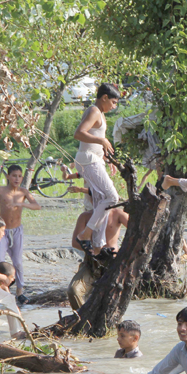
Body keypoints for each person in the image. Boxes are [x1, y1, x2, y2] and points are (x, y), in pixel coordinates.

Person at [72, 84, 121, 255]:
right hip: (88, 161)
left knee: (101, 202)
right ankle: (85, 234)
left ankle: (98, 247)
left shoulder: (100, 113)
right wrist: (102, 142)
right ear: (104, 97)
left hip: (94, 159)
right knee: (112, 197)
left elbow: (95, 139)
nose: (114, 107)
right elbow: (79, 134)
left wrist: (107, 159)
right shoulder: (94, 110)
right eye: (113, 102)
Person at [0, 165, 40, 302]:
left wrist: (22, 204)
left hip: (16, 231)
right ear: (8, 176)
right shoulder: (1, 190)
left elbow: (37, 206)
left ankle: (20, 291)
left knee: (18, 263)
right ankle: (0, 289)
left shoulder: (23, 192)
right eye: (14, 175)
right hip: (2, 231)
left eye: (19, 176)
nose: (17, 178)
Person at [0, 259, 24, 339]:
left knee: (10, 299)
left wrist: (21, 319)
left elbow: (11, 301)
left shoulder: (1, 285)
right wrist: (4, 277)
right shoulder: (3, 278)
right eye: (12, 277)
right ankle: (15, 332)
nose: (13, 280)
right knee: (9, 299)